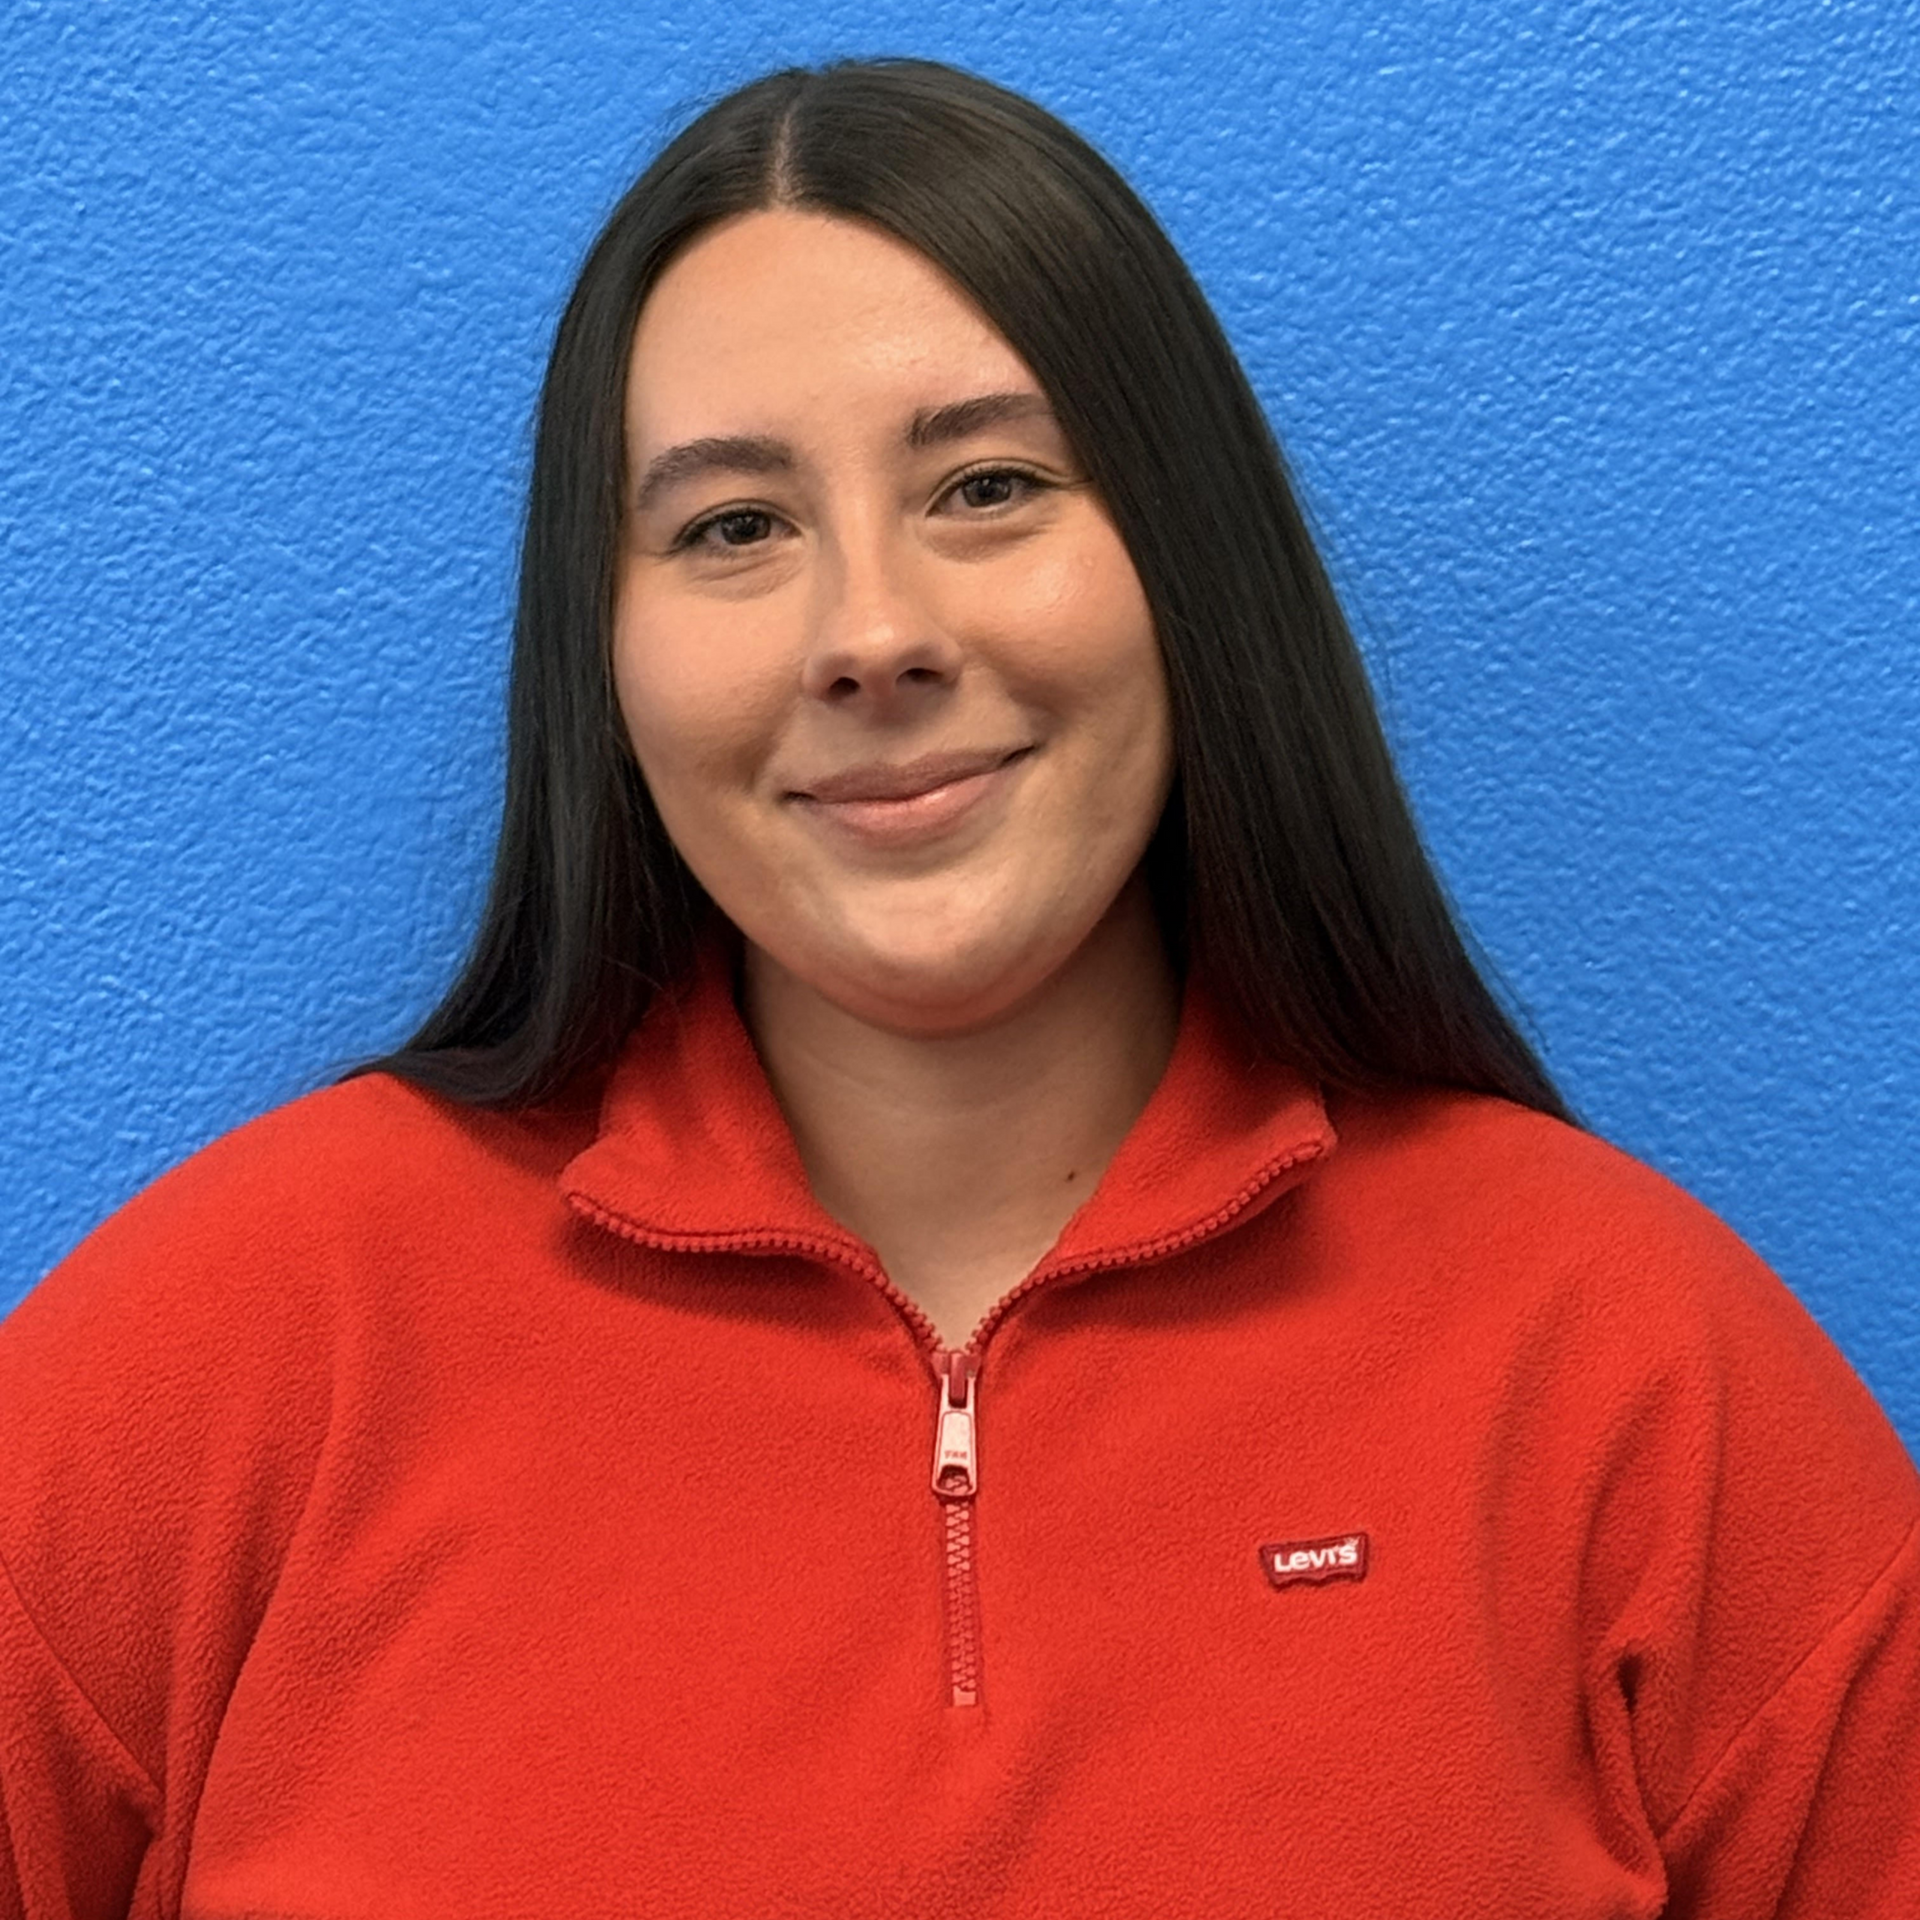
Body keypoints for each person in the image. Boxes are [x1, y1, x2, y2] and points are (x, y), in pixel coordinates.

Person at [1, 56, 1915, 1920]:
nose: (875, 634)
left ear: (1188, 561)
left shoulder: (1630, 1375)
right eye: (733, 526)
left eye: (991, 487)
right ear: (609, 652)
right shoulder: (244, 1353)